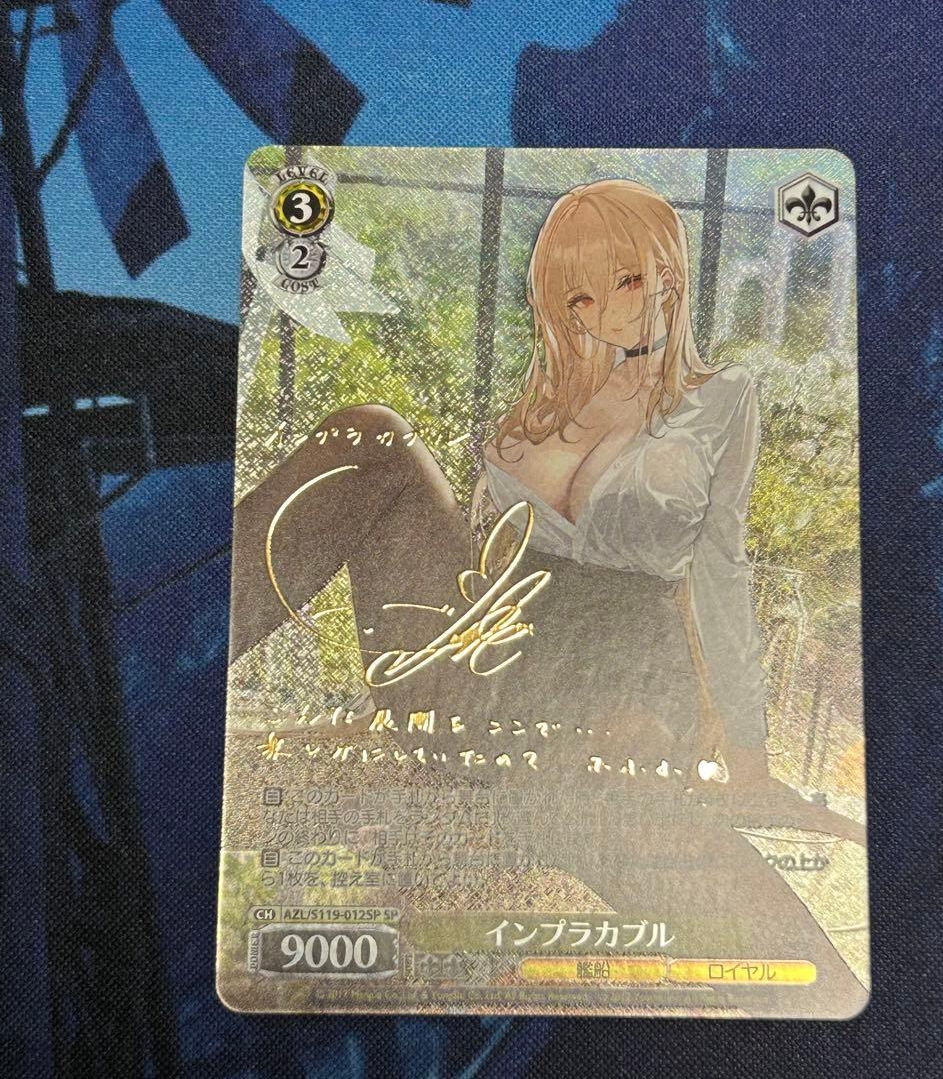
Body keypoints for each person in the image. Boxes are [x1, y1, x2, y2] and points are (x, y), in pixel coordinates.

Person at [228, 177, 866, 1015]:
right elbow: (489, 559)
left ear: (670, 271)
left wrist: (747, 761)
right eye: (580, 295)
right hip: (485, 666)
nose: (611, 309)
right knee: (372, 433)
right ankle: (184, 635)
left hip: (612, 695)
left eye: (630, 278)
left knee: (811, 983)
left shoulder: (721, 401)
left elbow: (718, 576)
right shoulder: (544, 399)